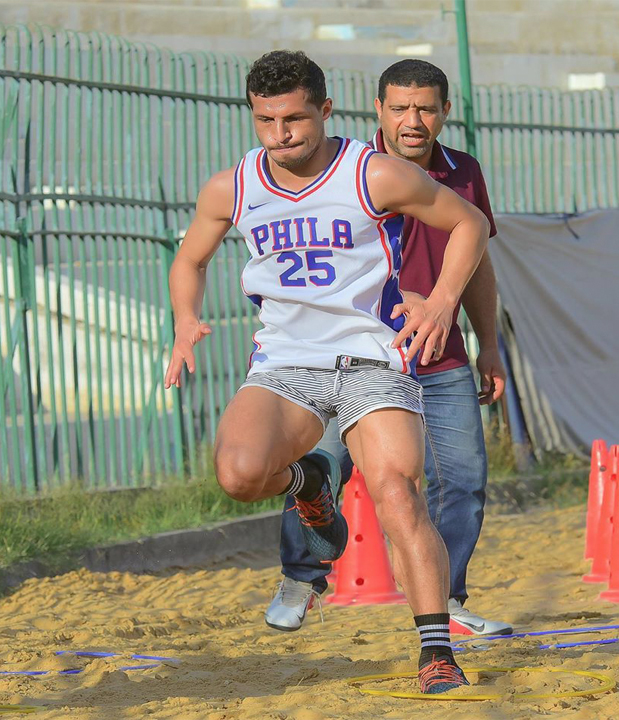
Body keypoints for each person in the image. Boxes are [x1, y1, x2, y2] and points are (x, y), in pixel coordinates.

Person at [163, 50, 488, 694]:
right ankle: (309, 481)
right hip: (286, 362)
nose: (281, 136)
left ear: (325, 110)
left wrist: (445, 300)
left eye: (295, 120)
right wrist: (184, 321)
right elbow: (190, 259)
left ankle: (435, 650)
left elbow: (468, 224)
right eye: (266, 122)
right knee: (238, 475)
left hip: (371, 357)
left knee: (396, 491)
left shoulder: (375, 175)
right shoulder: (233, 187)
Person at [265, 59, 513, 639]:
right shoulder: (353, 169)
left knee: (465, 481)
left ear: (445, 112)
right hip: (357, 357)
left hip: (440, 354)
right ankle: (302, 576)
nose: (413, 119)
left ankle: (443, 602)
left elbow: (477, 263)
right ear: (377, 110)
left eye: (425, 108)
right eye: (400, 107)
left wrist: (489, 346)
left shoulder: (464, 172)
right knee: (321, 468)